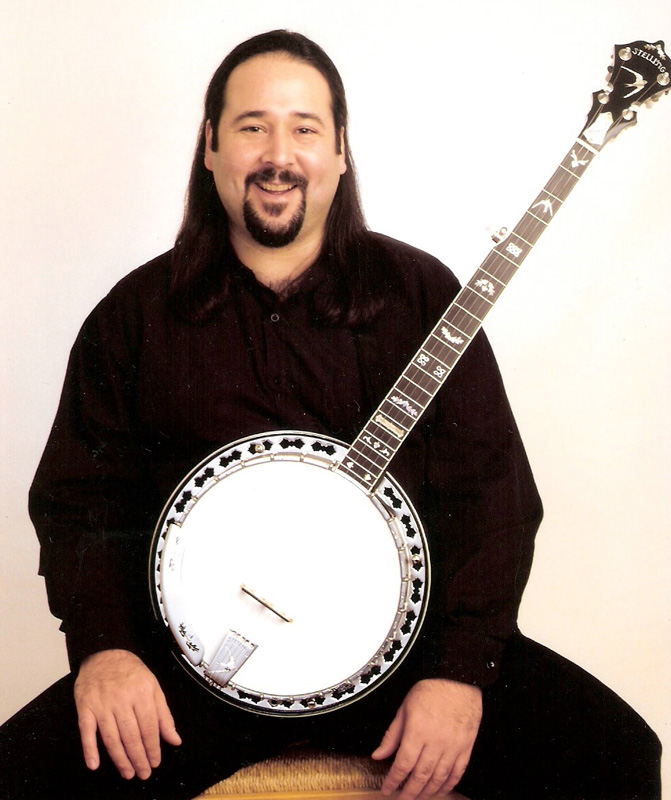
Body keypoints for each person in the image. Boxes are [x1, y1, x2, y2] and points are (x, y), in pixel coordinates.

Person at [0, 30, 661, 800]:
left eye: (304, 129)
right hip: (196, 665)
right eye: (252, 126)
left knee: (614, 754)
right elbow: (81, 502)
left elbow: (492, 497)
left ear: (340, 152)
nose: (278, 155)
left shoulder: (419, 294)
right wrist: (107, 650)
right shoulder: (135, 315)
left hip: (404, 661)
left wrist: (458, 673)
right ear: (210, 146)